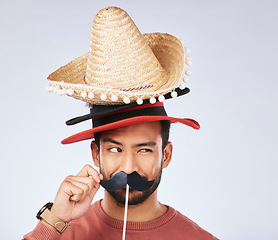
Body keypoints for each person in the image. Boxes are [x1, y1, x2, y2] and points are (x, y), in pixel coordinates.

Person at [23, 6, 217, 240]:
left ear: (165, 155)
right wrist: (54, 221)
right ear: (96, 155)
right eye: (115, 149)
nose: (128, 167)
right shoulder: (58, 231)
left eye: (144, 149)